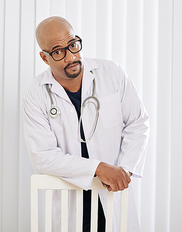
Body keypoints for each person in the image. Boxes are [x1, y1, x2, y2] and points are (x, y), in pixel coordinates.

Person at [23, 16, 149, 231]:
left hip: (112, 191)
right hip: (71, 196)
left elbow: (137, 123)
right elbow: (42, 157)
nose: (71, 56)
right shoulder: (37, 93)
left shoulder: (112, 73)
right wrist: (98, 168)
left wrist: (124, 170)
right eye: (58, 51)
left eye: (73, 45)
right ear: (45, 58)